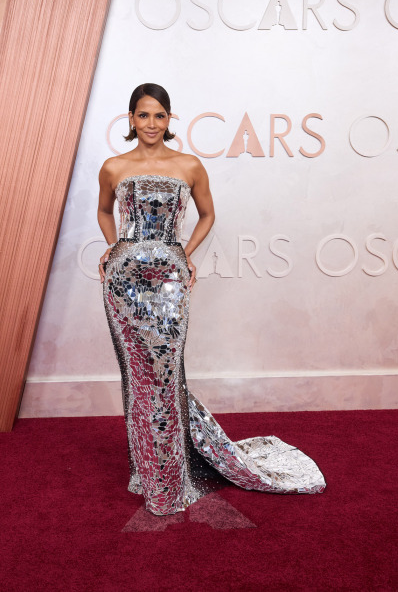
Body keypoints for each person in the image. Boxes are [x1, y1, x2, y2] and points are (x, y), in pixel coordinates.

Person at [97, 83, 326, 516]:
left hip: (168, 280)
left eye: (159, 116)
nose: (151, 124)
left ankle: (169, 475)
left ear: (169, 119)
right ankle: (148, 469)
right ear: (130, 119)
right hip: (123, 283)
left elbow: (208, 215)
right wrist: (112, 247)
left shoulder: (189, 165)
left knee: (165, 375)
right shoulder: (113, 167)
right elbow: (104, 211)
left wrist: (184, 254)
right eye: (143, 115)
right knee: (138, 376)